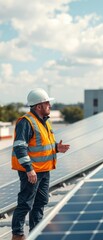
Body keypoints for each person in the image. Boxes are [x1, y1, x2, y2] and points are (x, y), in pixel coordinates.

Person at [11, 88, 70, 240]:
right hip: (31, 172)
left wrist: (57, 147)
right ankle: (17, 235)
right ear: (38, 106)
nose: (50, 105)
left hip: (44, 170)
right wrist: (29, 170)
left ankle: (36, 234)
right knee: (25, 204)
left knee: (41, 202)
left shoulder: (45, 121)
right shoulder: (26, 122)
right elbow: (19, 147)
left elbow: (42, 144)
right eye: (47, 103)